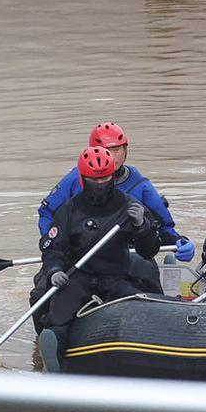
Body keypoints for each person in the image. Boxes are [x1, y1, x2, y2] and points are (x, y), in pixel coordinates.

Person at [32, 146, 165, 371]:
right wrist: (55, 271)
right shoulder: (69, 211)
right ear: (84, 179)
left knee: (149, 310)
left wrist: (142, 226)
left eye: (105, 178)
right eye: (95, 179)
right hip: (78, 276)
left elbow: (149, 251)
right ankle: (55, 365)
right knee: (58, 317)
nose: (101, 184)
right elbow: (53, 248)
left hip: (116, 274)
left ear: (113, 176)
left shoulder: (130, 206)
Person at [37, 122, 194, 282]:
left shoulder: (140, 185)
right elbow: (46, 214)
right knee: (43, 288)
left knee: (144, 272)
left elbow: (163, 226)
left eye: (117, 150)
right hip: (80, 255)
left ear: (125, 151)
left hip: (125, 255)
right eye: (107, 150)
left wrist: (179, 242)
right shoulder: (74, 179)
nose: (113, 156)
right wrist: (56, 247)